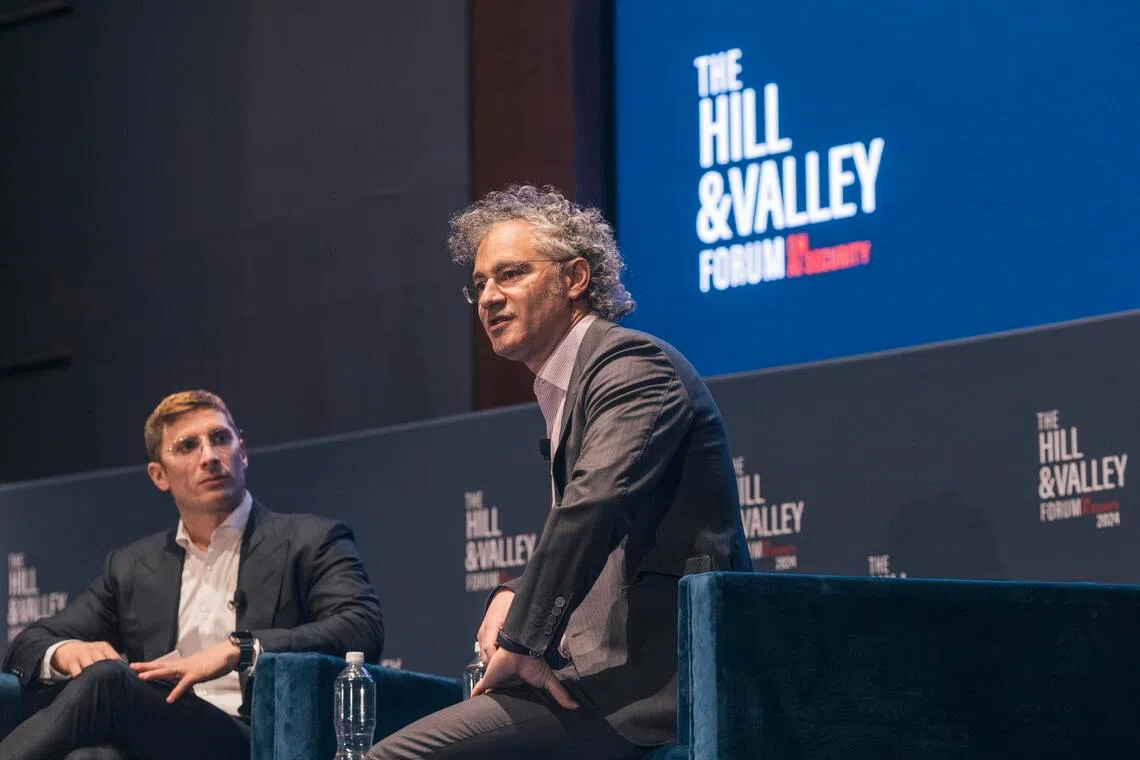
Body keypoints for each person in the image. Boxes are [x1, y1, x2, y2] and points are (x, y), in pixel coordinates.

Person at [368, 185, 751, 759]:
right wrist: (509, 592)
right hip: (597, 679)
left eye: (511, 274)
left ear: (574, 278)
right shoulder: (571, 387)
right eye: (478, 285)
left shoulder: (632, 367)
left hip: (653, 688)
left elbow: (596, 506)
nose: (489, 298)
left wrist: (522, 637)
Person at [0, 390, 385, 760]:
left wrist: (241, 649)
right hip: (164, 731)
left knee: (108, 681)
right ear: (158, 475)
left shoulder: (310, 540)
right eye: (187, 446)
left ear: (243, 452)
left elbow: (361, 627)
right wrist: (65, 651)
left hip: (254, 739)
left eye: (220, 438)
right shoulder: (133, 566)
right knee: (91, 756)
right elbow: (29, 644)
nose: (209, 456)